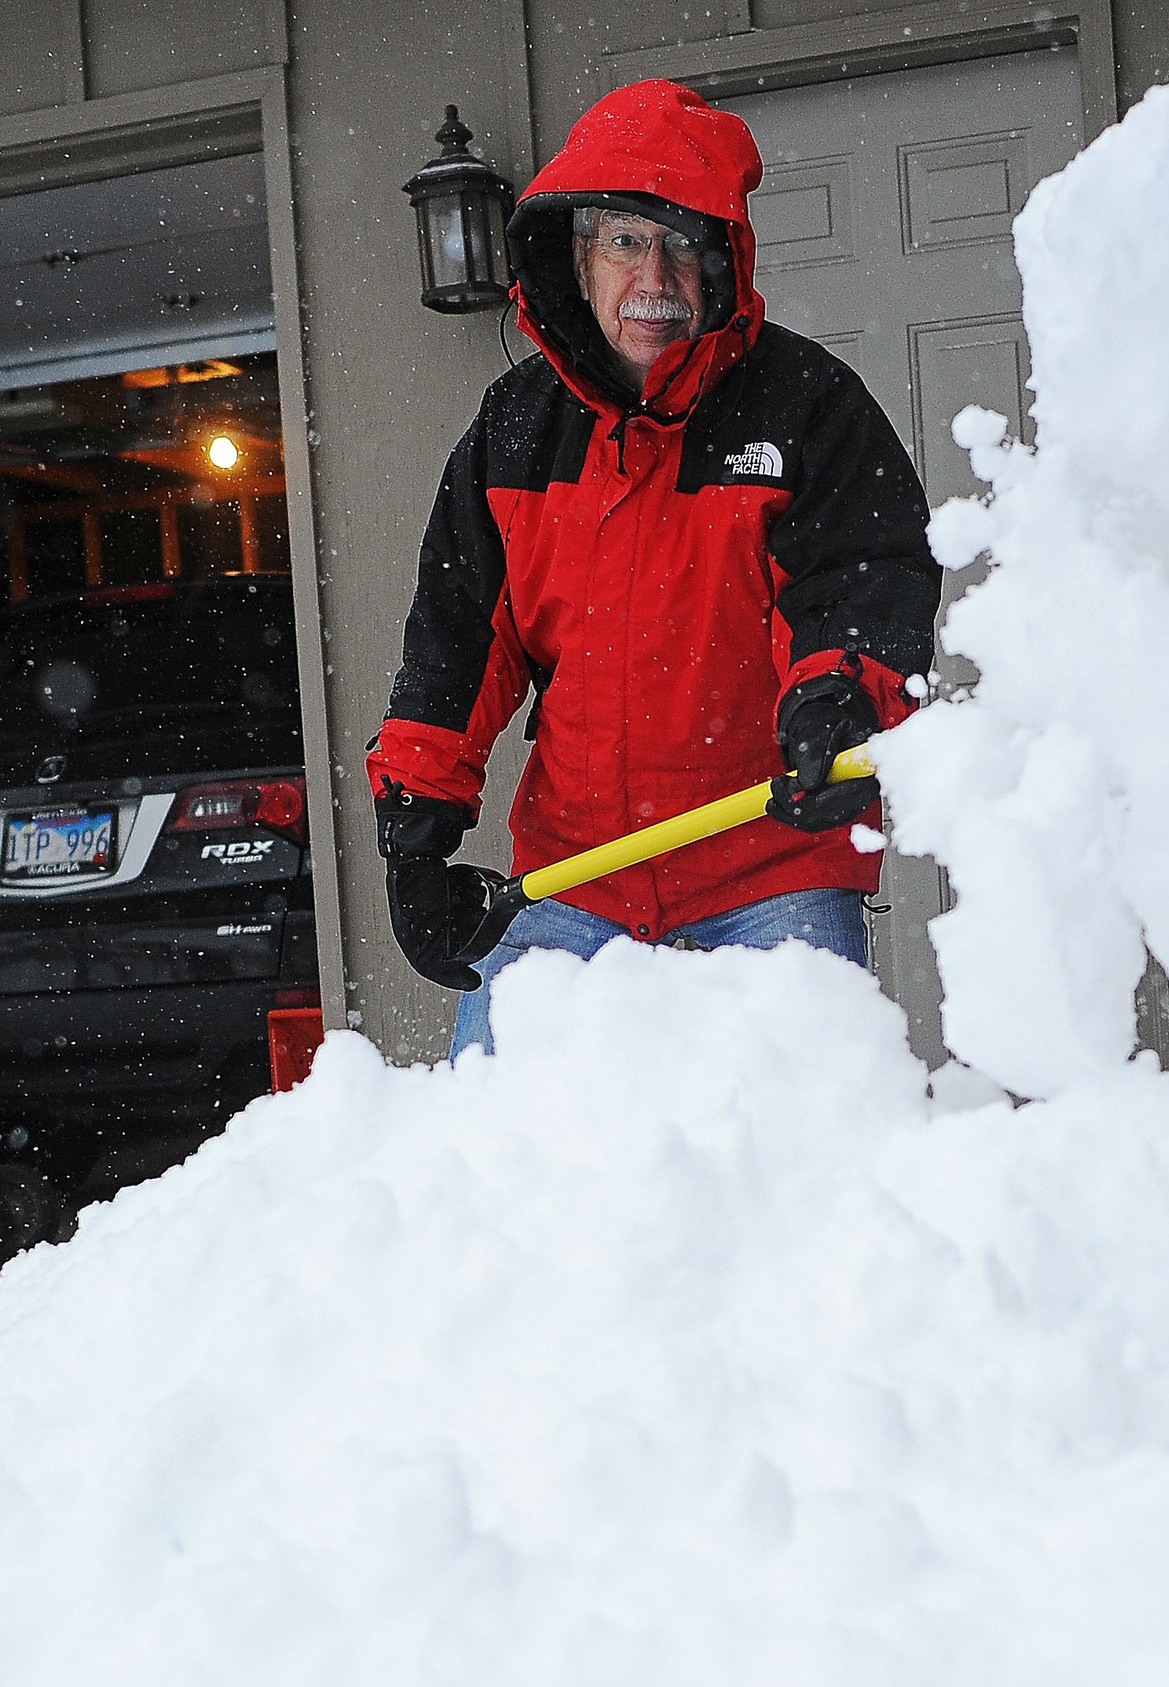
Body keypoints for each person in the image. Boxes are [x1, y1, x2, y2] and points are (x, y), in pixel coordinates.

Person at [367, 78, 938, 1055]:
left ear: (725, 263)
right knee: (487, 1158)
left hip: (774, 875)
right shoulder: (515, 430)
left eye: (684, 244)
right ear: (577, 260)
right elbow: (460, 635)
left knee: (803, 1162)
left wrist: (839, 706)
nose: (655, 278)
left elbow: (857, 588)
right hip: (573, 885)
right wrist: (416, 828)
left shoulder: (806, 407)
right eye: (626, 241)